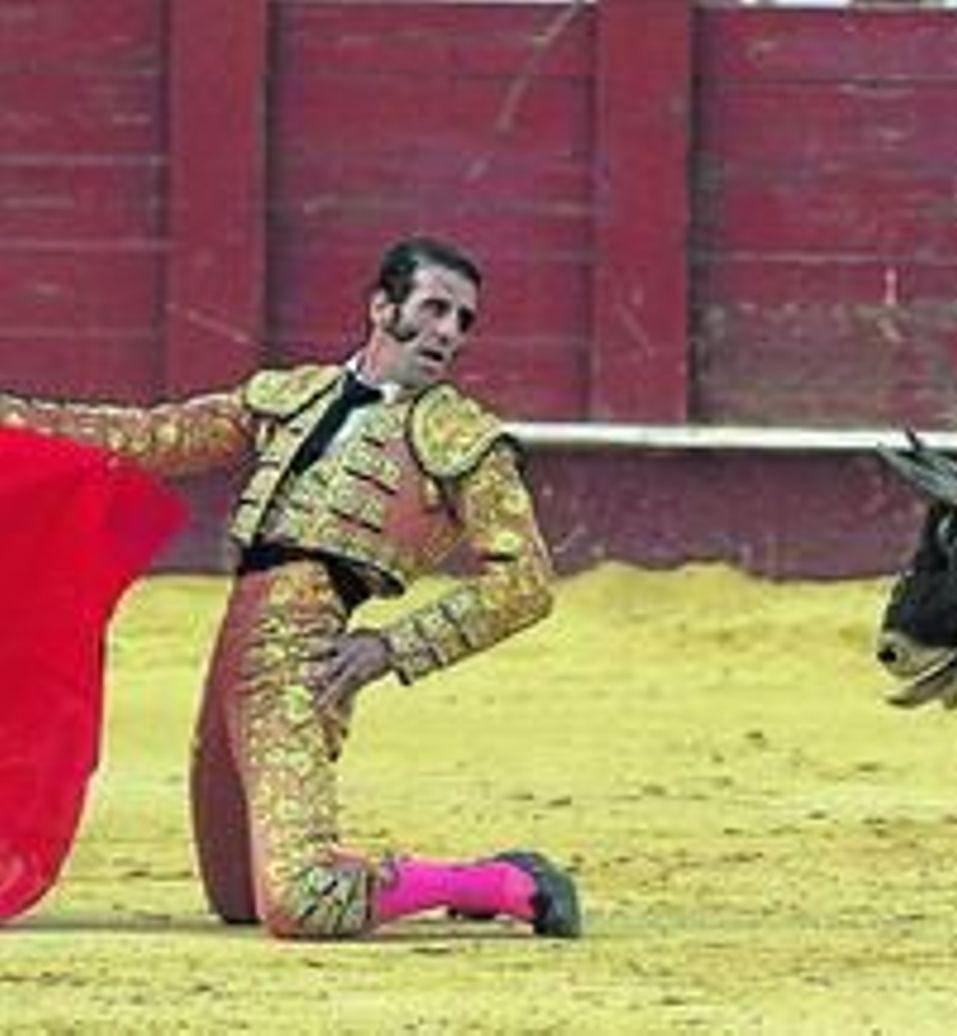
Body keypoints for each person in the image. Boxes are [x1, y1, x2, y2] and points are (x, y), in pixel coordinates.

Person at [0, 236, 580, 940]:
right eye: (433, 308)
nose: (448, 333)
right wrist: (12, 416)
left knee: (303, 900)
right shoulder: (291, 396)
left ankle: (502, 884)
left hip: (305, 652)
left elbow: (527, 582)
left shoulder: (463, 438)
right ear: (381, 306)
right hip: (233, 650)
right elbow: (153, 437)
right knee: (238, 900)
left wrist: (392, 647)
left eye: (463, 321)